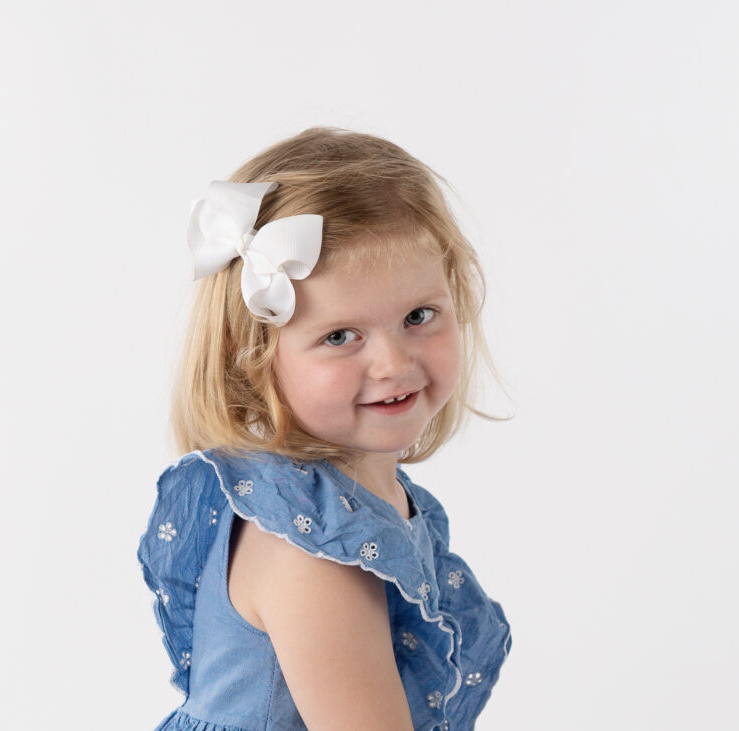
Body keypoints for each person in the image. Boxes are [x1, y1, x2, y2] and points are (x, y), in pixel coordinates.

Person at [138, 127, 512, 731]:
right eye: (340, 336)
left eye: (420, 316)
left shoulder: (348, 509)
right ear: (251, 353)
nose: (393, 364)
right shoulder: (314, 553)